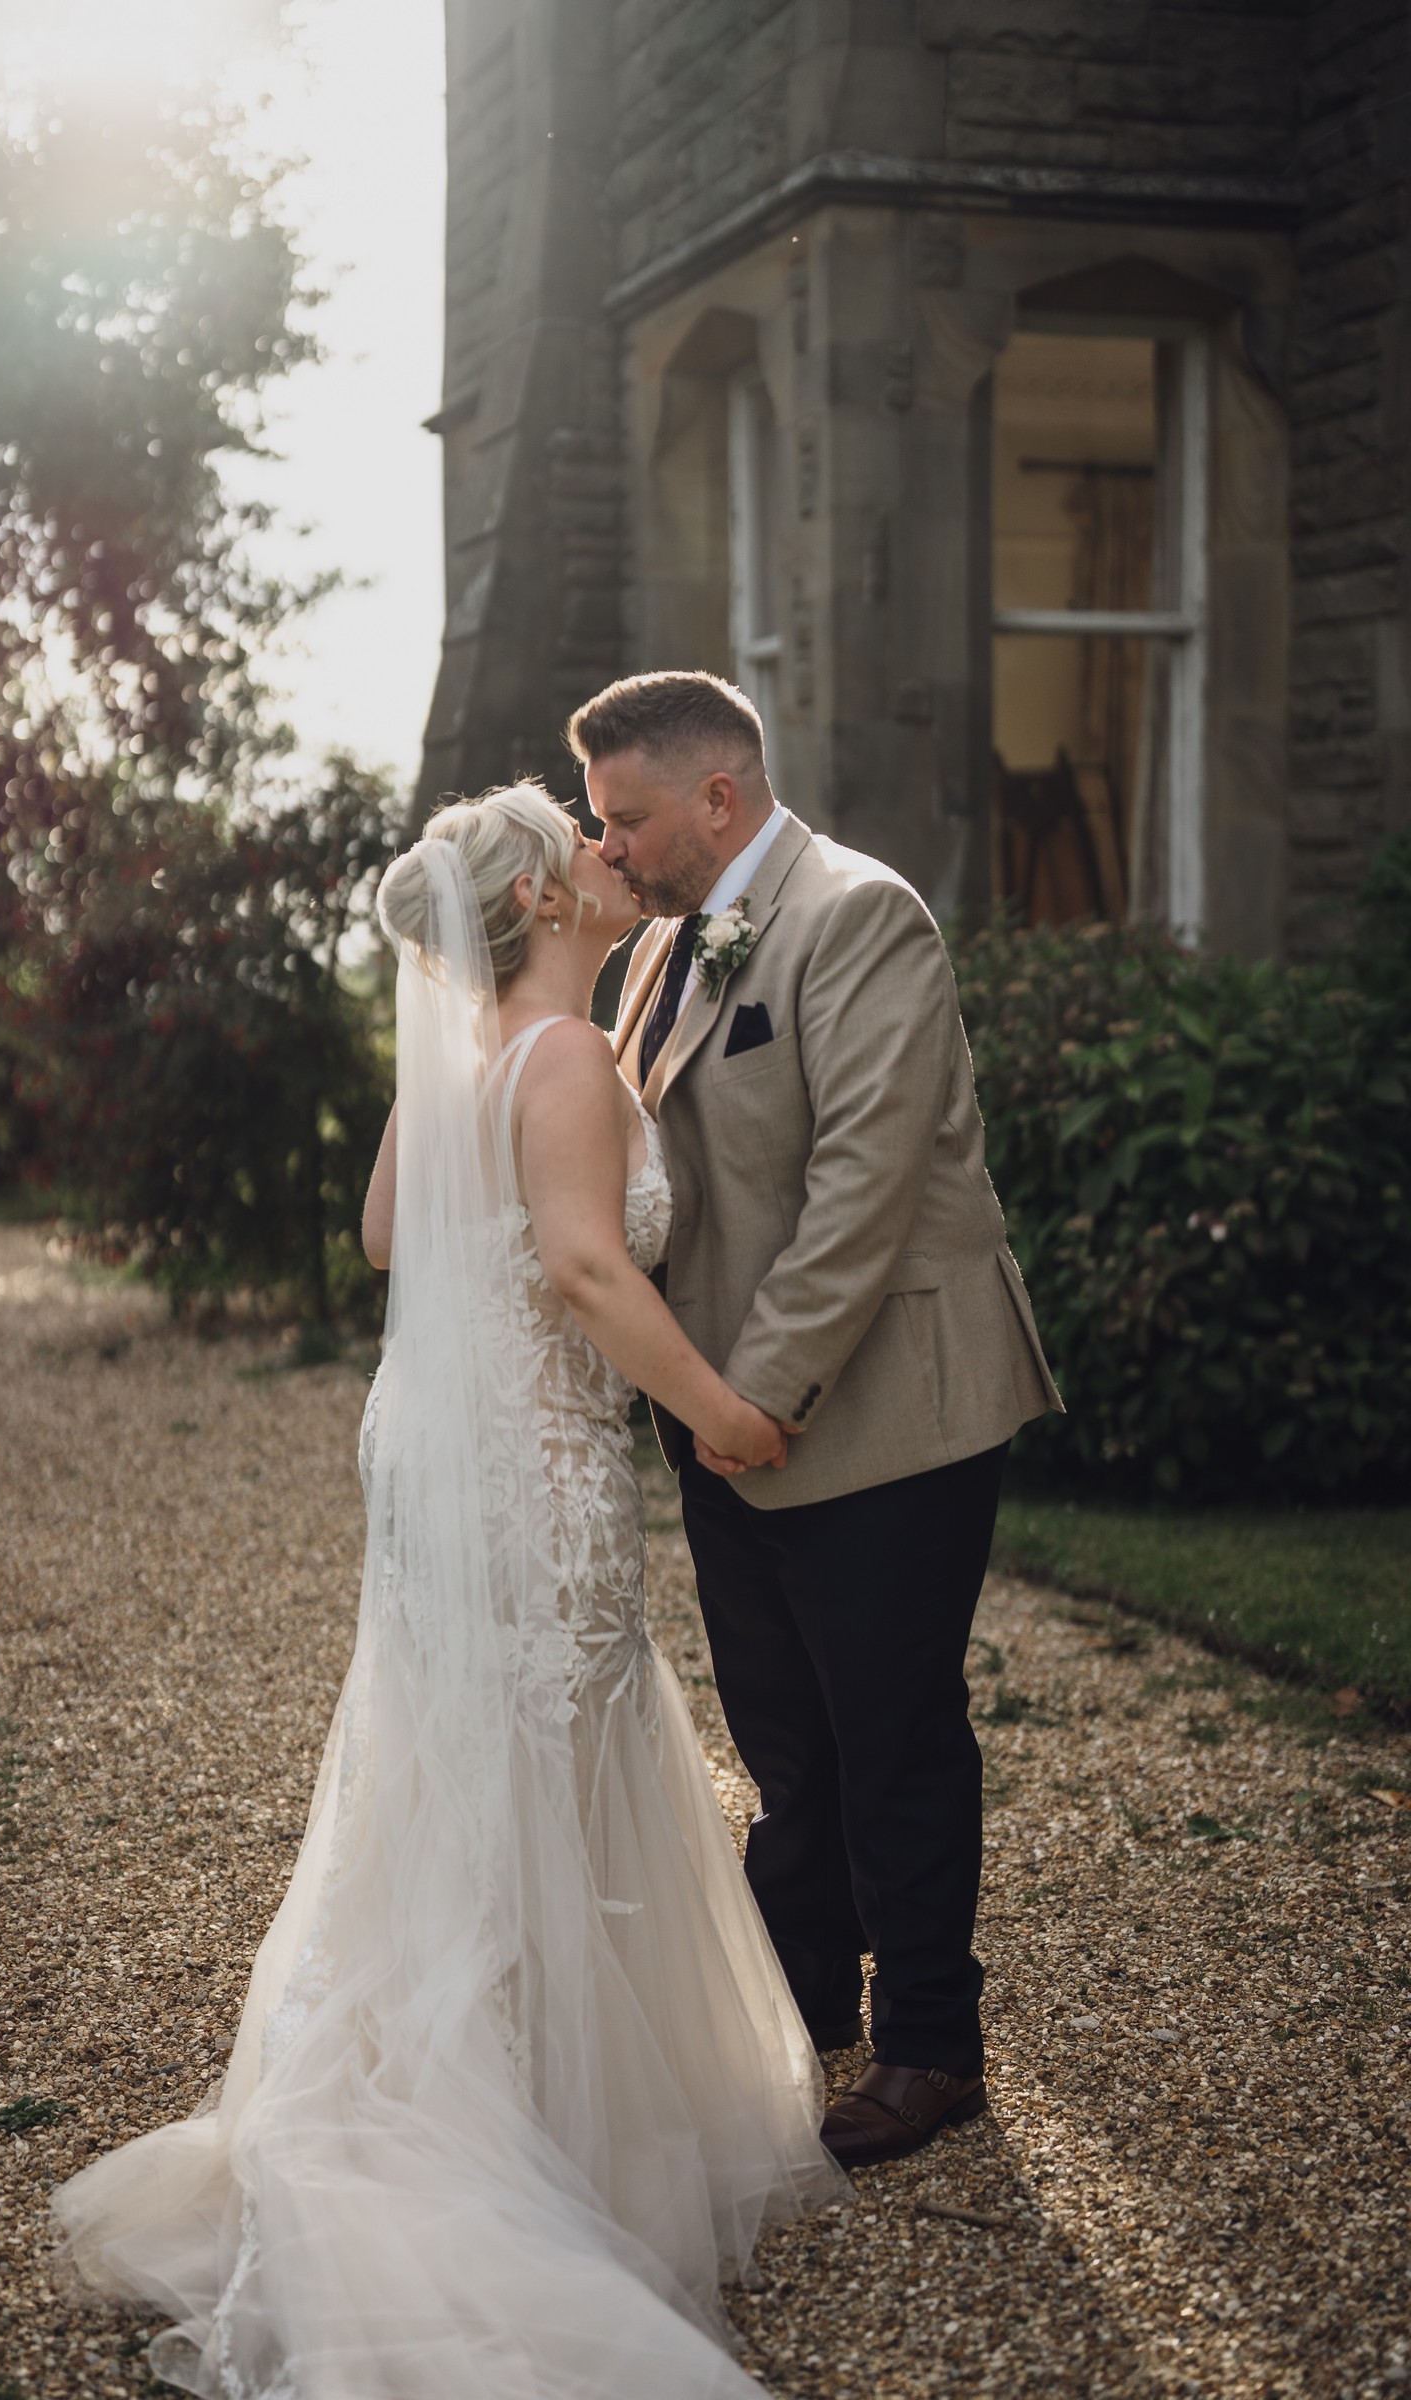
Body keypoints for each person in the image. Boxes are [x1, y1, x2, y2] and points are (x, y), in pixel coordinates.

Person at [51, 782, 845, 2400]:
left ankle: (456, 2090)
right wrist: (723, 1413)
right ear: (545, 902)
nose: (610, 856)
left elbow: (382, 1232)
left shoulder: (480, 1052)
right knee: (543, 1751)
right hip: (531, 1468)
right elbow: (581, 1266)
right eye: (586, 845)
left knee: (455, 1765)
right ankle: (510, 2152)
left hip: (430, 1459)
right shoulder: (557, 1059)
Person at [569, 670, 1062, 2170]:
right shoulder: (659, 947)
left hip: (881, 1412)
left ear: (718, 796)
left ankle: (932, 2044)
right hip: (729, 1423)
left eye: (629, 819)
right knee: (790, 1744)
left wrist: (756, 1394)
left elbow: (865, 1186)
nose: (614, 852)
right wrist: (682, 1395)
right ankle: (803, 1997)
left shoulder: (862, 916)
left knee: (893, 1732)